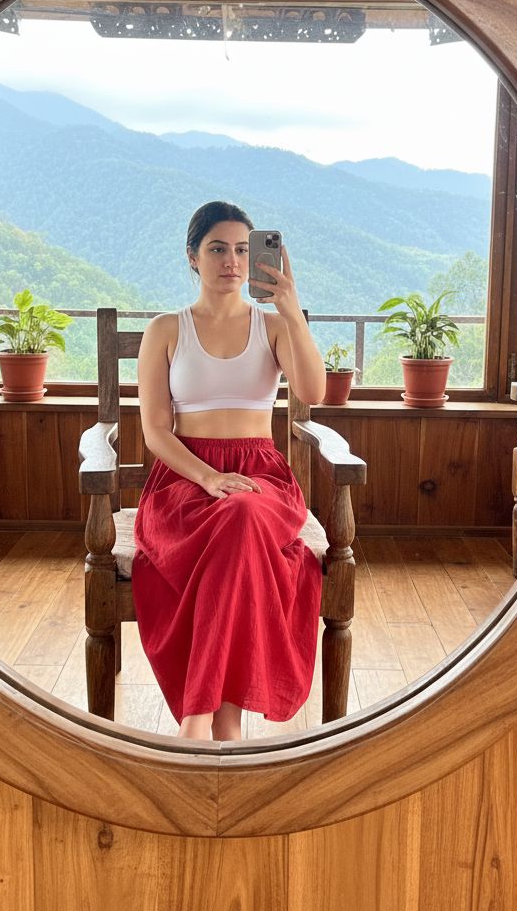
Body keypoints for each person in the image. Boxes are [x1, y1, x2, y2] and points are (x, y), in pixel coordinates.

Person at [133, 200, 327, 741]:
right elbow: (155, 432)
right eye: (217, 249)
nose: (232, 261)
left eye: (243, 250)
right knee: (234, 526)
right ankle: (228, 727)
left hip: (261, 478)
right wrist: (208, 478)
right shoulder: (165, 330)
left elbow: (312, 393)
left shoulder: (273, 327)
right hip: (184, 481)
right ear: (192, 257)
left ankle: (198, 723)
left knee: (242, 515)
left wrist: (292, 308)